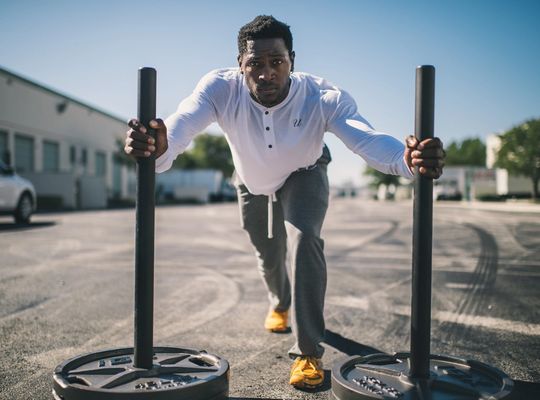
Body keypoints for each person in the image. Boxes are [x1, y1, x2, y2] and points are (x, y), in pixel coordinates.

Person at [125, 15, 445, 389]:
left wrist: (408, 159)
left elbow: (367, 139)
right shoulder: (219, 89)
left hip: (304, 171)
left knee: (303, 238)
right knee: (267, 252)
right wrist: (160, 146)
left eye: (276, 62)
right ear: (240, 66)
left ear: (292, 60)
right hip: (250, 180)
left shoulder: (322, 96)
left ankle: (308, 351)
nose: (266, 73)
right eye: (255, 64)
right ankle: (280, 302)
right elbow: (180, 127)